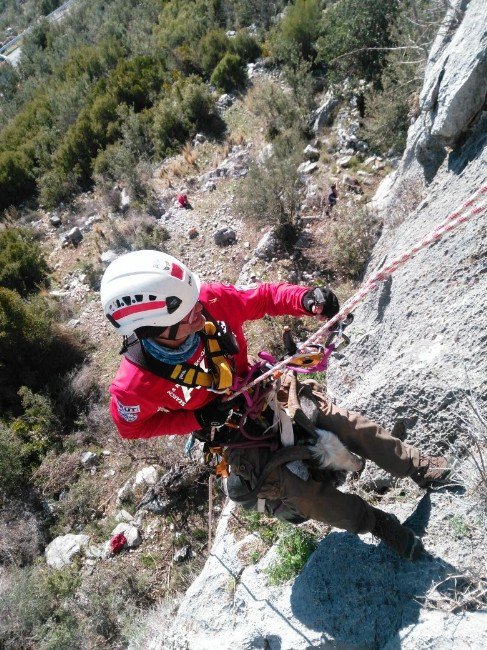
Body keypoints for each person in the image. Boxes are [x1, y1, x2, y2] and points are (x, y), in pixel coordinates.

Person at [102, 250, 450, 561]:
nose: (199, 310)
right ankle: (376, 523)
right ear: (152, 329)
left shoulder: (207, 300)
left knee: (345, 423)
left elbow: (263, 298)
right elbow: (132, 428)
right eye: (187, 311)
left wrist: (306, 299)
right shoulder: (134, 385)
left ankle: (422, 468)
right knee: (302, 494)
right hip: (233, 433)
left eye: (194, 300)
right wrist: (196, 417)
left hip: (264, 390)